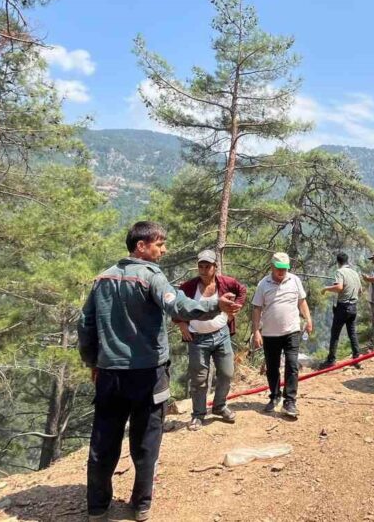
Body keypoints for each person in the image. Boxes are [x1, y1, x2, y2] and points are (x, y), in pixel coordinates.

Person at [79, 221, 241, 522]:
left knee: (104, 440)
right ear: (141, 246)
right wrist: (215, 305)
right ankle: (140, 505)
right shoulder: (151, 276)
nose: (164, 249)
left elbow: (85, 325)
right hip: (148, 374)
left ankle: (97, 507)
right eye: (159, 244)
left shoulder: (102, 278)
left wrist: (93, 362)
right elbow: (178, 306)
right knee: (146, 440)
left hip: (110, 373)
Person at [176, 249, 247, 431]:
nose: (204, 269)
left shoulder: (226, 283)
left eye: (208, 266)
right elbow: (175, 305)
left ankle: (219, 405)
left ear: (215, 267)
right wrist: (181, 324)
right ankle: (198, 415)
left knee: (227, 372)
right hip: (197, 339)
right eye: (201, 266)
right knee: (199, 379)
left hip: (221, 335)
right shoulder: (189, 287)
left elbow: (242, 290)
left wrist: (235, 309)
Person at [251, 251, 313, 419]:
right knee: (272, 367)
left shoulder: (294, 280)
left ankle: (290, 401)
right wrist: (256, 330)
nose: (281, 272)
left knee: (292, 365)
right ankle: (275, 395)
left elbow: (302, 301)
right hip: (270, 334)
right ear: (272, 266)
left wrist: (308, 319)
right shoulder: (263, 284)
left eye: (284, 269)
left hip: (292, 330)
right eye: (279, 269)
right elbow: (256, 308)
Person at [318, 252, 362, 369]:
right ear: (347, 261)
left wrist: (326, 288)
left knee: (335, 333)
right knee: (352, 332)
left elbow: (339, 287)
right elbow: (360, 291)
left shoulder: (339, 272)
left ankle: (331, 360)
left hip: (343, 307)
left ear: (338, 262)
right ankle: (357, 357)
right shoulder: (355, 273)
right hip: (353, 306)